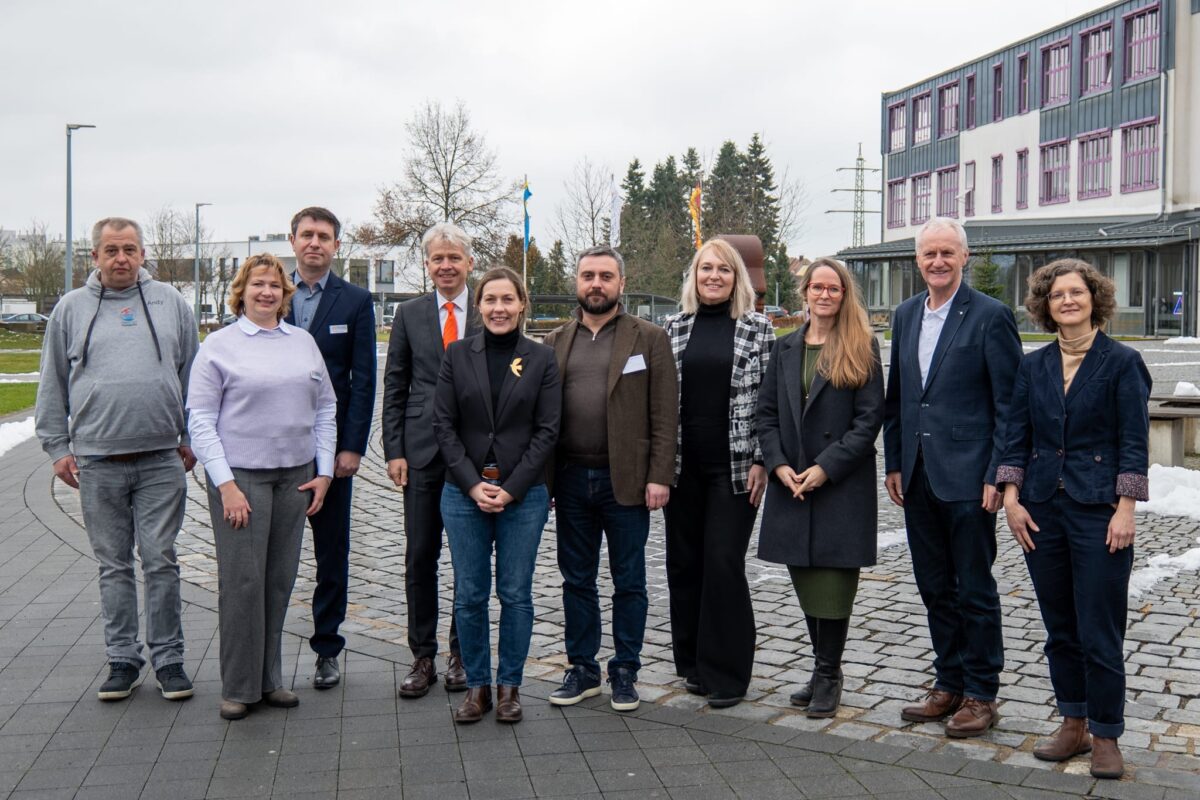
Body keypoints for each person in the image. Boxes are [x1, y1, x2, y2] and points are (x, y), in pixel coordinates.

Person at [998, 259, 1151, 779]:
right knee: (1060, 627)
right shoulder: (1033, 365)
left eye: (1076, 292)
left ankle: (1106, 734)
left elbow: (1134, 442)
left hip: (1099, 511)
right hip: (1041, 509)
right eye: (1057, 294)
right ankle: (1073, 722)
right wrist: (1012, 498)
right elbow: (1015, 435)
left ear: (1094, 299)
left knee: (1099, 629)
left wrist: (1126, 509)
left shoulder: (1123, 362)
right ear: (1046, 305)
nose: (1067, 300)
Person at [35, 217, 199, 703]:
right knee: (114, 566)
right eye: (111, 250)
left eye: (129, 249)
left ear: (143, 254)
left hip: (161, 459)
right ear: (95, 257)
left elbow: (194, 375)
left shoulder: (171, 303)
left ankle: (169, 659)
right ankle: (123, 659)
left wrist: (191, 435)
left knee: (161, 560)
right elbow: (52, 382)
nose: (121, 258)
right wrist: (56, 447)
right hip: (97, 461)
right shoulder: (70, 309)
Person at [882, 216, 1022, 737]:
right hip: (918, 476)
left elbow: (1010, 404)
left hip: (969, 478)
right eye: (929, 254)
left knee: (973, 588)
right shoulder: (905, 315)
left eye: (947, 252)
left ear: (964, 256)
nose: (938, 261)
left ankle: (981, 693)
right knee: (934, 586)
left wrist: (999, 473)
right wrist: (894, 461)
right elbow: (899, 396)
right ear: (917, 261)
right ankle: (948, 682)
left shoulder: (990, 315)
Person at [188, 254, 336, 720]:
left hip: (295, 477)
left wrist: (325, 471)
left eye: (275, 285)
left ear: (285, 294)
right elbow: (200, 420)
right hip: (241, 478)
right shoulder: (219, 346)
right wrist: (226, 485)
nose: (267, 292)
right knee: (243, 584)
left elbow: (325, 408)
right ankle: (239, 686)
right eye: (258, 284)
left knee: (278, 581)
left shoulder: (303, 343)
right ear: (242, 291)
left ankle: (270, 679)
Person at [544, 245, 678, 712]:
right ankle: (582, 668)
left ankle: (625, 670)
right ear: (577, 282)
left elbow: (665, 414)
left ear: (622, 283)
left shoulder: (649, 338)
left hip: (627, 480)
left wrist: (659, 475)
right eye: (588, 276)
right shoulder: (556, 340)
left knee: (629, 580)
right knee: (576, 579)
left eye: (605, 276)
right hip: (570, 480)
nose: (596, 284)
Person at [757, 257, 884, 718]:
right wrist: (778, 465)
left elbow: (869, 421)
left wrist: (826, 468)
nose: (825, 294)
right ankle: (820, 667)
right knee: (806, 578)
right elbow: (766, 415)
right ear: (805, 292)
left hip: (839, 484)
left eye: (834, 288)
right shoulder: (785, 347)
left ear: (844, 294)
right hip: (792, 482)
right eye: (817, 287)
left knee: (833, 581)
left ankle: (829, 674)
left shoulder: (861, 346)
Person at [433, 267, 561, 723]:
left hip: (522, 496)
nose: (499, 308)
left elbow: (547, 431)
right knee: (469, 594)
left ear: (522, 304)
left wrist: (510, 490)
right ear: (479, 305)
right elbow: (443, 425)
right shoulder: (457, 354)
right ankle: (477, 687)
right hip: (462, 493)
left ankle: (510, 688)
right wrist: (472, 483)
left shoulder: (542, 359)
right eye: (490, 300)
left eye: (508, 300)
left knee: (515, 594)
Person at [660, 239, 773, 708]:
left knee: (723, 562)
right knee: (684, 564)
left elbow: (770, 401)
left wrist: (764, 459)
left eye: (723, 269)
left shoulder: (758, 329)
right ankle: (693, 663)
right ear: (694, 275)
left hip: (735, 468)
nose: (714, 276)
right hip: (682, 467)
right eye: (706, 268)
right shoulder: (673, 328)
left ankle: (728, 672)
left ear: (736, 277)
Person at [381, 222, 479, 697]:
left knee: (468, 558)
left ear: (469, 263)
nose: (446, 266)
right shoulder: (410, 313)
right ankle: (423, 655)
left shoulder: (489, 307)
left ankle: (463, 654)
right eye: (438, 259)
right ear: (427, 265)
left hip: (475, 454)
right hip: (420, 453)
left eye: (454, 258)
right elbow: (395, 384)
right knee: (421, 555)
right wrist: (394, 450)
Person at [283, 207, 376, 690]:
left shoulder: (355, 301)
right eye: (307, 235)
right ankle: (264, 651)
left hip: (331, 452)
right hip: (274, 449)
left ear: (336, 245)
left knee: (331, 554)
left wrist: (352, 447)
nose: (314, 243)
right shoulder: (269, 293)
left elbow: (364, 380)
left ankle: (327, 648)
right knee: (270, 555)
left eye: (324, 236)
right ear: (293, 241)